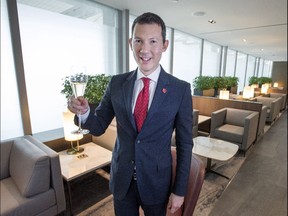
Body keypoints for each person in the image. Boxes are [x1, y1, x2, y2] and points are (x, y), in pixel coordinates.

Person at [68, 12, 193, 216]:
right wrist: (84, 112)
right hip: (122, 181)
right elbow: (99, 125)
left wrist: (179, 191)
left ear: (164, 45)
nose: (144, 50)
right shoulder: (117, 83)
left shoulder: (179, 90)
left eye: (153, 41)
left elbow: (185, 145)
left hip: (157, 183)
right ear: (130, 42)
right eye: (138, 41)